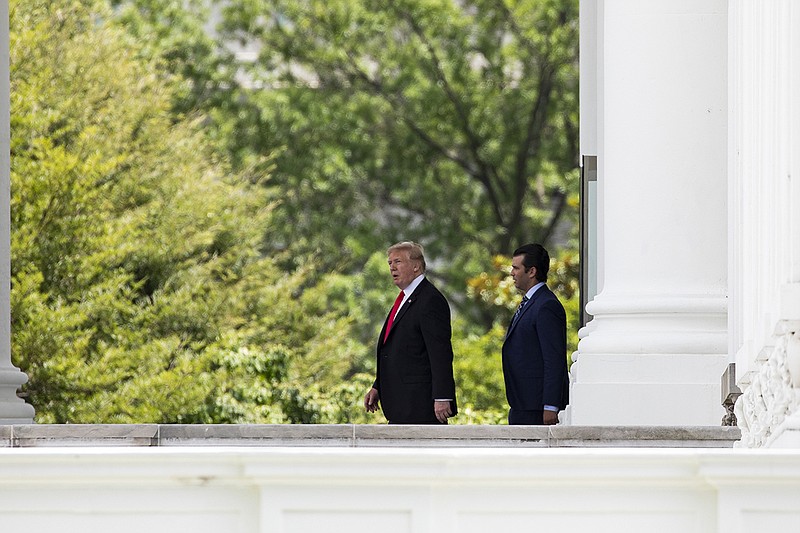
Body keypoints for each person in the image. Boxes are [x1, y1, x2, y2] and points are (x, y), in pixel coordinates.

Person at [363, 241, 457, 424]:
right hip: (401, 404)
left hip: (421, 406)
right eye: (390, 263)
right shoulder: (405, 299)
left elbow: (440, 353)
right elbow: (401, 351)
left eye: (397, 261)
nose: (392, 268)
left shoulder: (429, 300)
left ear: (416, 266)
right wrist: (378, 386)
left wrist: (442, 396)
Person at [502, 243, 569, 425]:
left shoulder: (546, 305)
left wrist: (550, 406)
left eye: (516, 268)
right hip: (522, 404)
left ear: (531, 271)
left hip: (537, 408)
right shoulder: (531, 302)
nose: (511, 273)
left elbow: (553, 359)